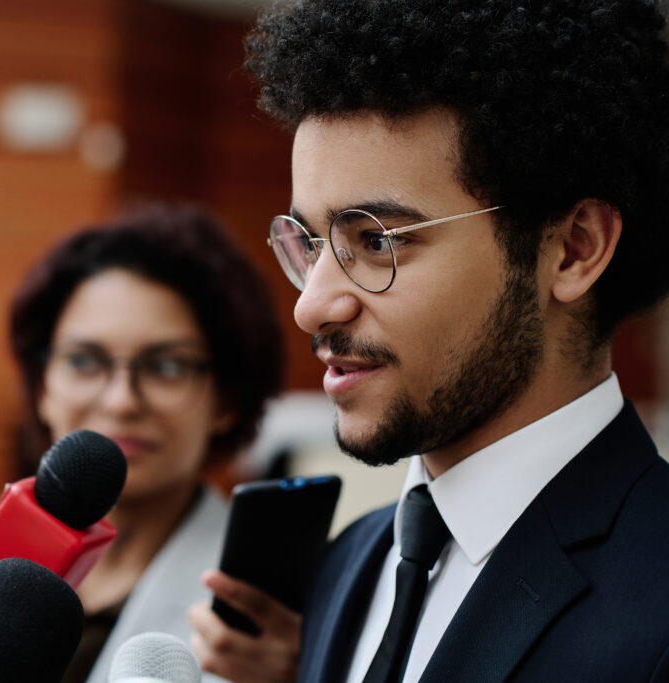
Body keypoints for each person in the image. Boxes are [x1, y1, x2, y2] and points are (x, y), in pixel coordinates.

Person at [189, 1, 669, 681]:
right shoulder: (344, 569)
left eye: (377, 240)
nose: (312, 305)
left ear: (573, 249)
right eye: (311, 243)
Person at [0, 204, 290, 682]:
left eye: (166, 366)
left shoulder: (280, 629)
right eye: (85, 361)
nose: (122, 401)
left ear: (227, 401)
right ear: (42, 386)